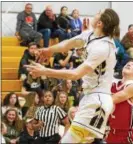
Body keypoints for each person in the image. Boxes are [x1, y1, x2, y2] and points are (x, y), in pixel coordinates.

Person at [25, 8, 119, 143]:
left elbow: (76, 74)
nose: (94, 13)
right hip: (90, 96)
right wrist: (49, 50)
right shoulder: (91, 35)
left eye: (98, 13)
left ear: (100, 23)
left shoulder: (103, 47)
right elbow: (70, 43)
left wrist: (45, 71)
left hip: (97, 100)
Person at [106, 60, 133, 143]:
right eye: (127, 63)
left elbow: (111, 100)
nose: (129, 64)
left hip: (127, 136)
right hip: (111, 133)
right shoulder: (114, 83)